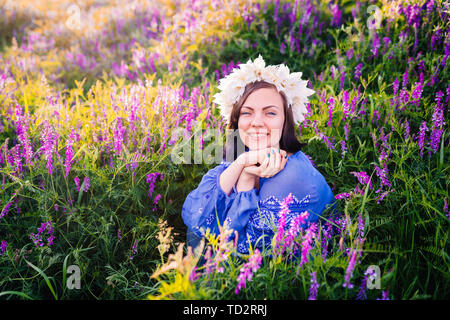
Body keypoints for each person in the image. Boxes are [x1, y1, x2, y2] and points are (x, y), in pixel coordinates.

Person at [182, 55, 337, 254]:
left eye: (270, 113)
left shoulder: (290, 177)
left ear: (285, 120)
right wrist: (242, 165)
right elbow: (198, 217)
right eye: (247, 112)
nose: (256, 122)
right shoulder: (245, 151)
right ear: (236, 119)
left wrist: (245, 179)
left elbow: (237, 253)